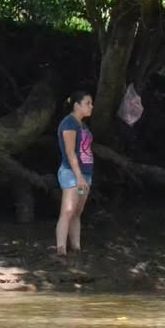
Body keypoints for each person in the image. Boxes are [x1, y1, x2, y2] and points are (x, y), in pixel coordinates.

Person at [54, 90, 94, 255]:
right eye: (88, 103)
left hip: (85, 174)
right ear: (77, 105)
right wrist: (78, 177)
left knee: (77, 211)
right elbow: (70, 153)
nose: (91, 106)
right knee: (68, 210)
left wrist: (83, 177)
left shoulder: (82, 125)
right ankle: (61, 247)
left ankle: (76, 246)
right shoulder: (69, 123)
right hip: (72, 174)